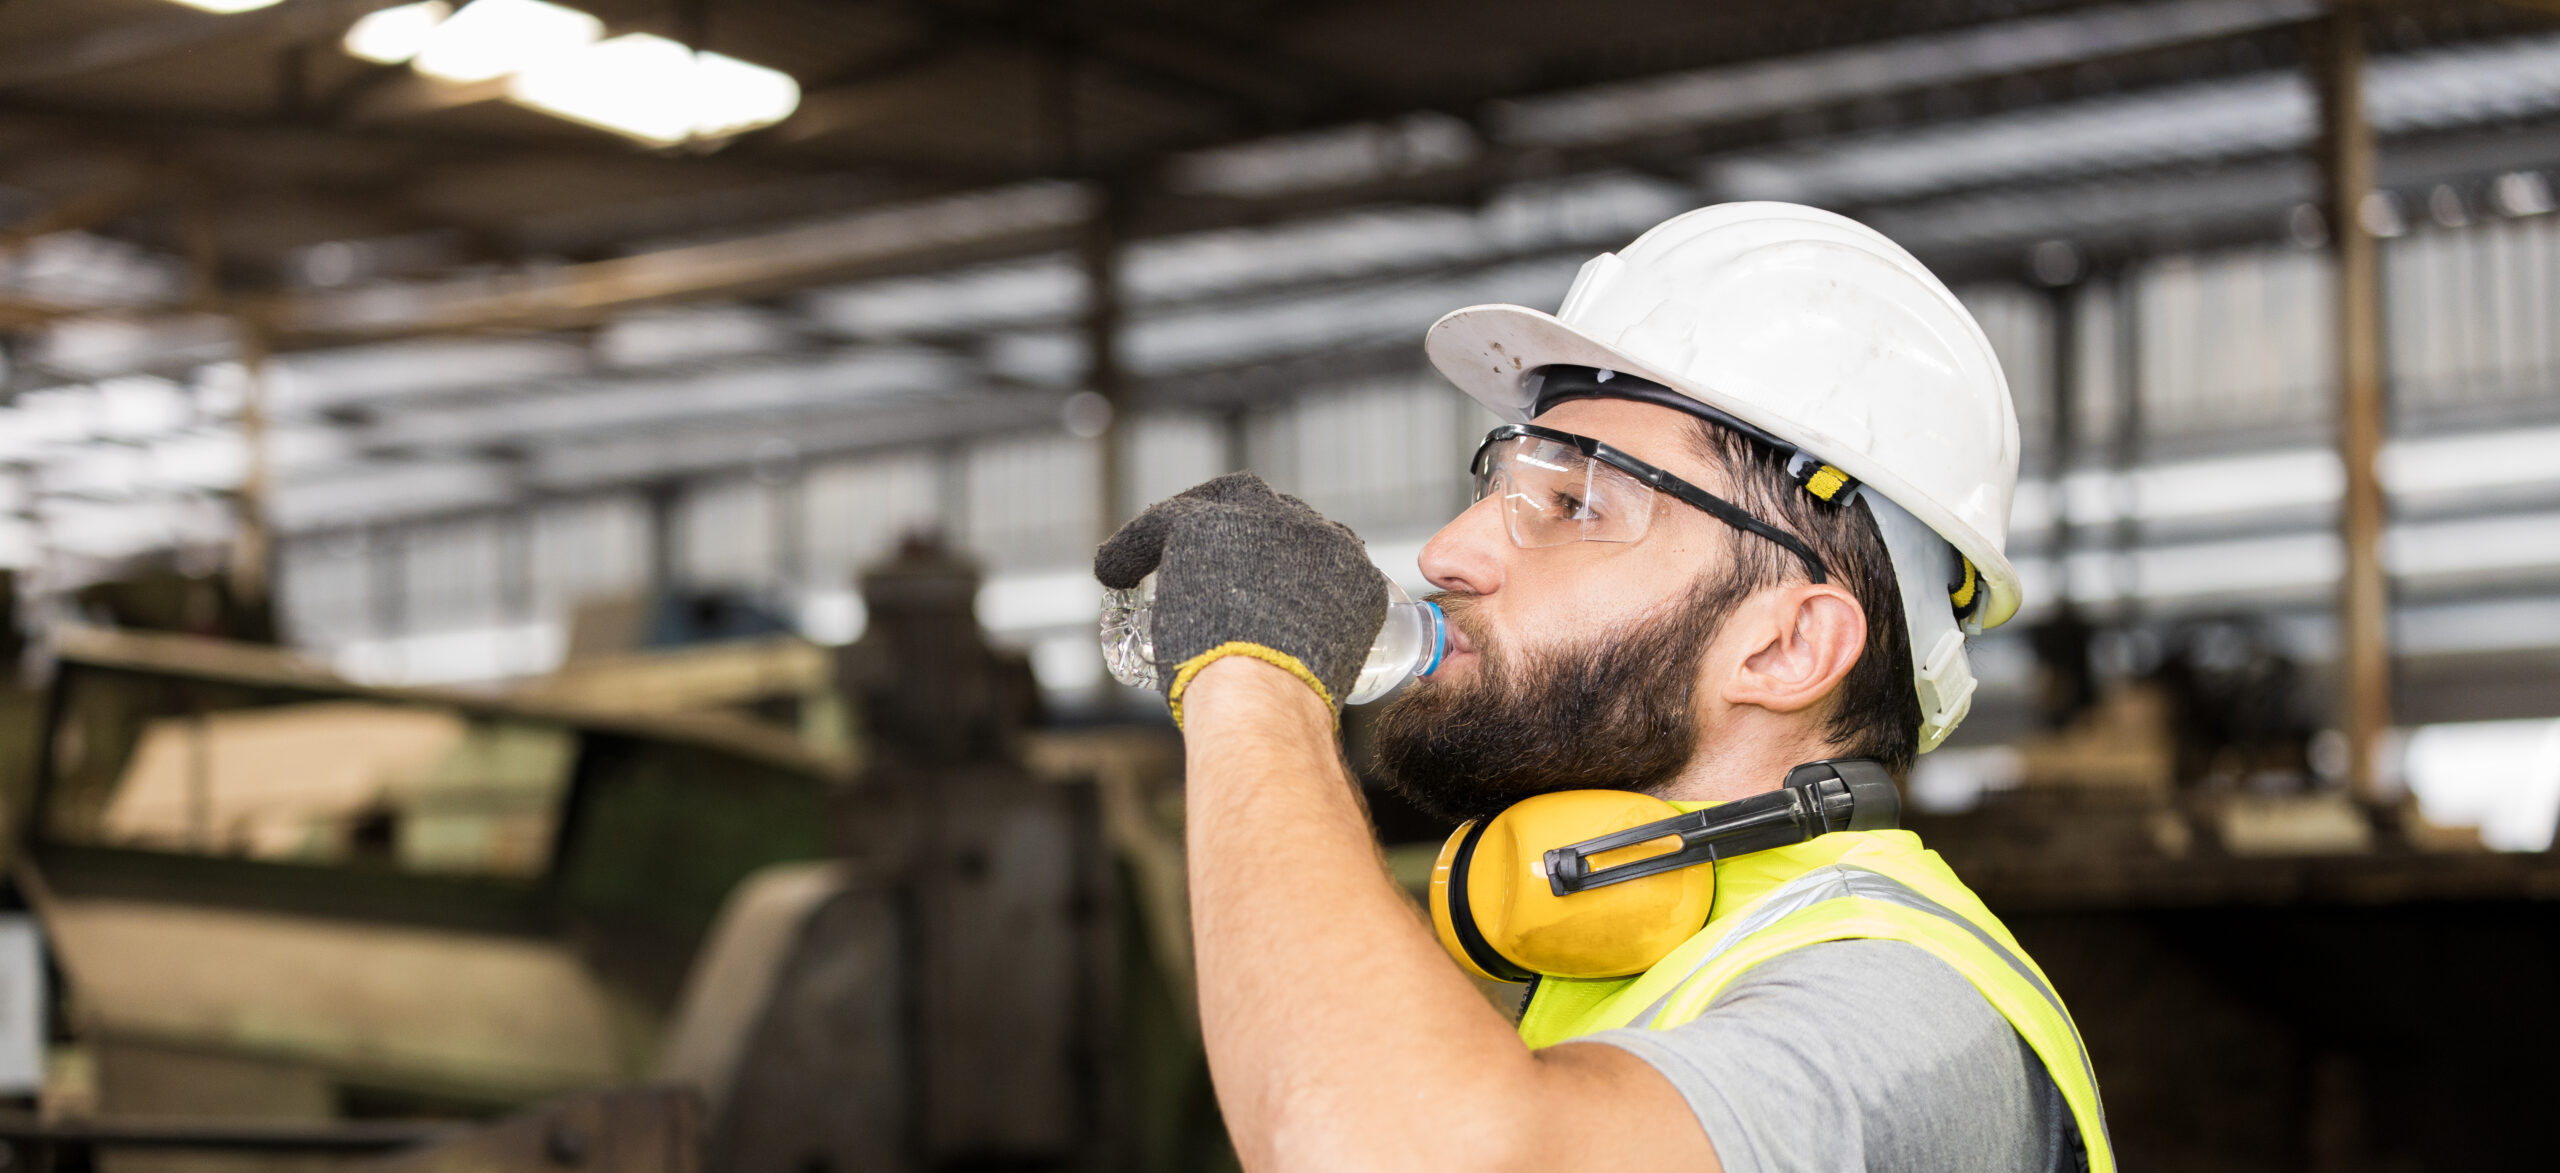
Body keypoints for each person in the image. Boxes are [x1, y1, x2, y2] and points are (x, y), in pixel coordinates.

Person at [1095, 203, 2114, 1172]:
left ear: (1788, 647)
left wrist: (1256, 684)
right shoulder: (1627, 944)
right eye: (1499, 487)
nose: (1448, 553)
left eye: (1573, 500)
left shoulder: (1896, 1010)